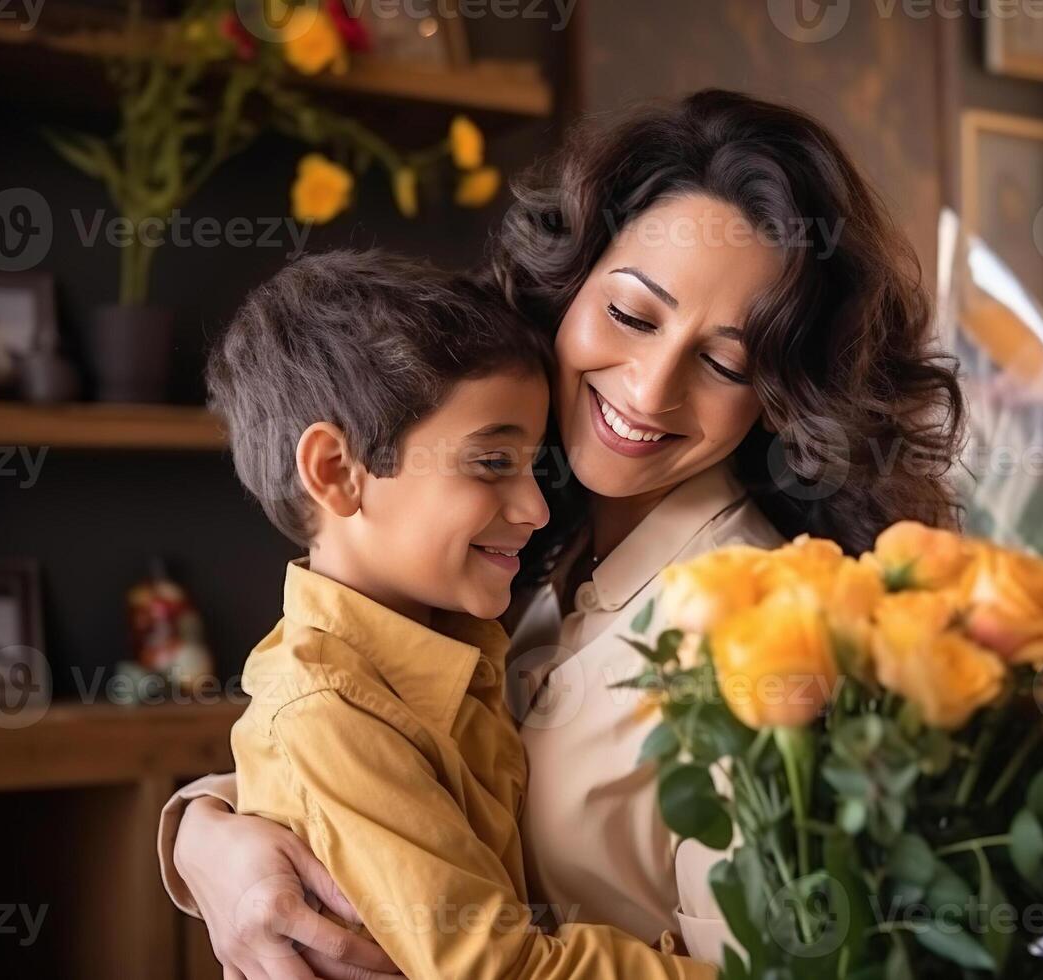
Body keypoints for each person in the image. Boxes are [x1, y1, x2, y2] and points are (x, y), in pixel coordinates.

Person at [159, 90, 964, 979]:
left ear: (779, 395)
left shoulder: (759, 630)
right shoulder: (521, 544)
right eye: (631, 315)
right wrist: (210, 833)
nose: (651, 390)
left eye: (725, 361)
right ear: (570, 284)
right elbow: (394, 750)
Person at [207, 249, 710, 978]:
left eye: (535, 467)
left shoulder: (456, 644)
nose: (537, 509)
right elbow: (498, 969)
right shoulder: (325, 711)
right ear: (336, 472)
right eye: (491, 464)